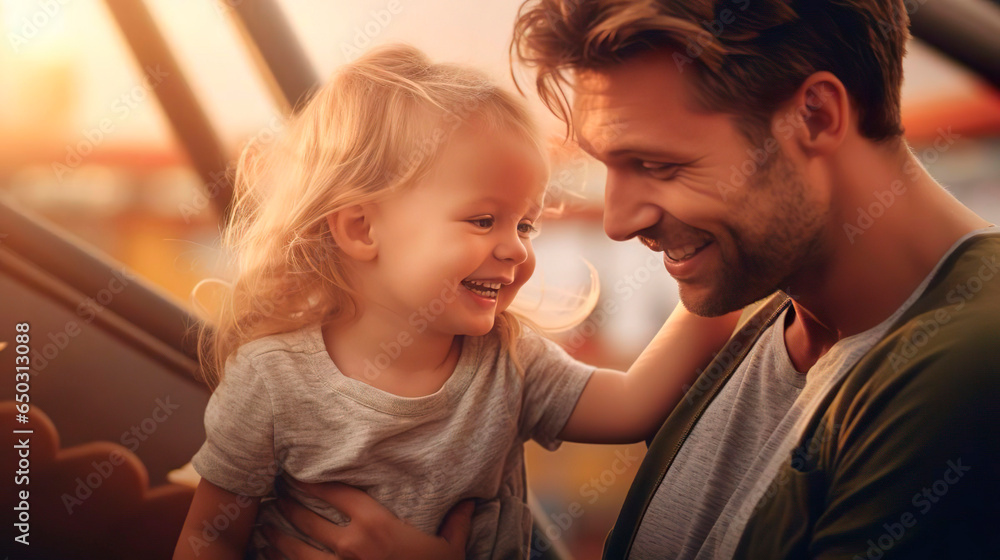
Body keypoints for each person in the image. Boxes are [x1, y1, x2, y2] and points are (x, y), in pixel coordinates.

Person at [264, 1, 999, 559]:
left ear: (814, 114)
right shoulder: (765, 310)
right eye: (607, 165)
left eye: (660, 166)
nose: (617, 220)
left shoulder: (965, 372)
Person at [172, 43, 741, 560]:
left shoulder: (507, 361)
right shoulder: (271, 381)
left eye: (526, 224)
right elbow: (209, 538)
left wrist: (729, 276)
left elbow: (633, 404)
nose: (515, 248)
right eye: (484, 220)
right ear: (362, 229)